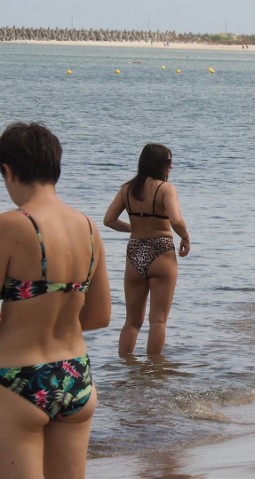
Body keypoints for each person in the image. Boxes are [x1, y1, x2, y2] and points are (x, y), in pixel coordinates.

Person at [0, 122, 111, 478]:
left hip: (17, 378)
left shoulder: (11, 226)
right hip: (75, 377)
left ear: (9, 170)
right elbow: (99, 317)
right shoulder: (89, 228)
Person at [104, 144, 190, 356]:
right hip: (161, 250)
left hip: (135, 251)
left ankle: (126, 369)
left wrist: (133, 228)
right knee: (158, 320)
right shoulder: (165, 188)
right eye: (168, 163)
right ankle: (153, 374)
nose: (171, 167)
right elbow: (176, 219)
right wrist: (186, 238)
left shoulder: (127, 189)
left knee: (132, 321)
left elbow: (109, 220)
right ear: (159, 164)